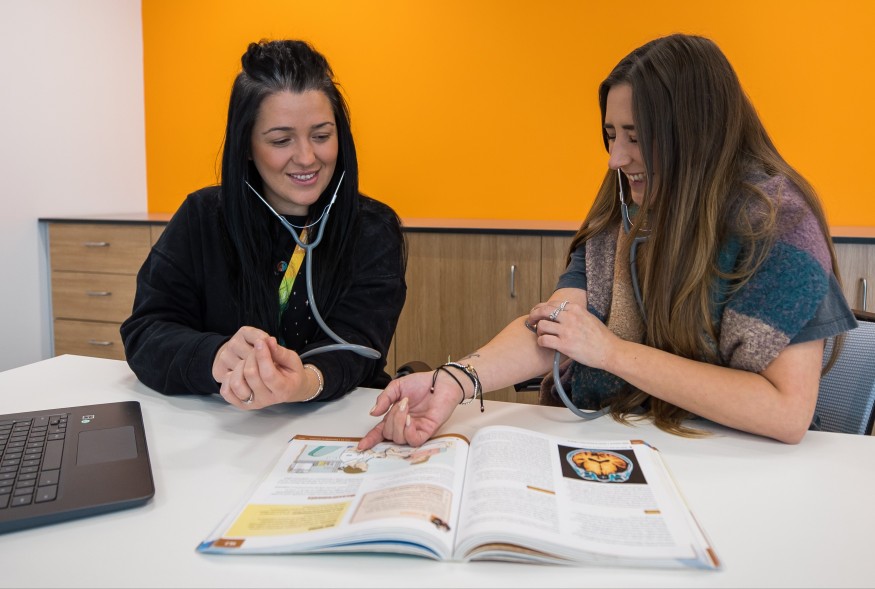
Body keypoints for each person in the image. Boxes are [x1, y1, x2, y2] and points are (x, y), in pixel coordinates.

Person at [358, 33, 856, 448]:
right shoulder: (625, 208)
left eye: (636, 137)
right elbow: (557, 328)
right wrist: (454, 381)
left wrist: (612, 353)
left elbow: (786, 412)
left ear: (696, 134)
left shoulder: (778, 226)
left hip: (739, 461)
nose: (616, 158)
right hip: (637, 441)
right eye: (611, 134)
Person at [121, 39, 407, 409]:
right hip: (224, 425)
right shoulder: (202, 217)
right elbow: (146, 333)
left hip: (333, 419)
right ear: (246, 146)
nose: (307, 157)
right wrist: (217, 356)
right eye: (281, 140)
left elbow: (360, 345)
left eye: (322, 136)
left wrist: (304, 382)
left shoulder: (372, 228)